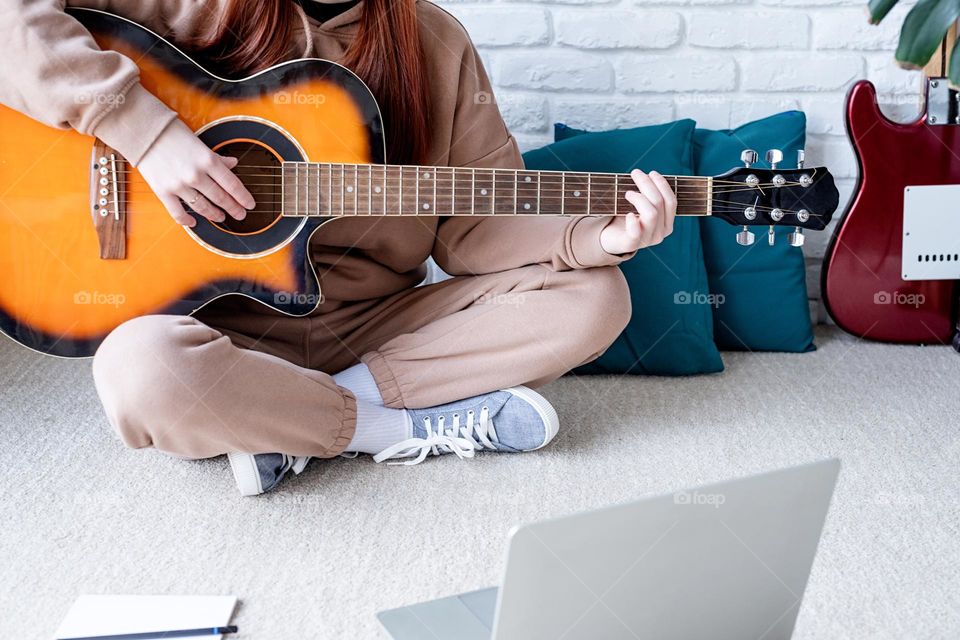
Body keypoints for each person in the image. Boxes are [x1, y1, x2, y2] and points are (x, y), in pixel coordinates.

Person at [0, 0, 676, 495]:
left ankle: (290, 427)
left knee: (595, 295)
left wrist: (597, 235)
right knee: (139, 373)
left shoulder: (434, 41)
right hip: (221, 339)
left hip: (375, 327)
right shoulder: (193, 8)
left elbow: (474, 229)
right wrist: (145, 134)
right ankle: (395, 428)